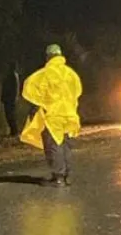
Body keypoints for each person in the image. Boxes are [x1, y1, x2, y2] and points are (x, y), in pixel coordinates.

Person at [20, 44, 83, 187]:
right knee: (66, 145)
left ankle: (58, 177)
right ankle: (67, 175)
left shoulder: (45, 74)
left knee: (54, 145)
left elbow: (31, 89)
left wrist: (36, 107)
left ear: (48, 56)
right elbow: (77, 92)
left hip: (52, 115)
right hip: (69, 115)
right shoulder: (71, 74)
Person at [1, 61, 21, 136]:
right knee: (9, 115)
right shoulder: (9, 75)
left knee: (11, 115)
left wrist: (15, 97)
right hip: (8, 98)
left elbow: (15, 88)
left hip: (10, 99)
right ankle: (13, 131)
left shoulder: (13, 76)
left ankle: (14, 131)